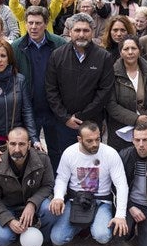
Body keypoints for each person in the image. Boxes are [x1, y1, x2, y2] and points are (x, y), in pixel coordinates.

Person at [45, 13, 114, 159]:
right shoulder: (57, 55)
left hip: (92, 123)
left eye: (86, 30)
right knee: (67, 161)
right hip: (64, 124)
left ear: (92, 32)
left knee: (92, 162)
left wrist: (81, 117)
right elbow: (51, 89)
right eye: (77, 30)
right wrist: (65, 118)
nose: (81, 35)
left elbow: (104, 91)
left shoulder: (104, 57)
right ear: (70, 32)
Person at [48, 122, 129, 246]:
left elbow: (121, 184)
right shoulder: (69, 153)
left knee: (102, 236)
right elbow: (62, 178)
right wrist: (58, 197)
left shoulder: (110, 153)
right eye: (89, 141)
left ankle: (93, 223)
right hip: (75, 200)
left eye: (97, 139)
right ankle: (84, 225)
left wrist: (120, 215)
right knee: (57, 238)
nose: (95, 144)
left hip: (101, 201)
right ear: (79, 139)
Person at [0, 39, 38, 189]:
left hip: (16, 143)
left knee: (16, 185)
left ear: (9, 58)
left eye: (3, 56)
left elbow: (27, 111)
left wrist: (34, 138)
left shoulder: (19, 80)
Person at [0, 127, 56, 246]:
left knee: (49, 209)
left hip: (35, 202)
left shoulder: (42, 159)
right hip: (9, 207)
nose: (17, 149)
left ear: (29, 145)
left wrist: (32, 204)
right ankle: (18, 233)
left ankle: (45, 239)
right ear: (7, 144)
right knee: (1, 238)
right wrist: (9, 220)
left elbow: (48, 185)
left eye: (22, 144)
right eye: (13, 144)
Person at [12, 6, 67, 174]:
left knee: (57, 150)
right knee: (29, 150)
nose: (33, 27)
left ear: (46, 24)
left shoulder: (59, 44)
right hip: (29, 108)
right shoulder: (17, 47)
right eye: (30, 23)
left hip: (54, 108)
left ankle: (57, 182)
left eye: (38, 23)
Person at [106, 36, 147, 152]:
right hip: (120, 129)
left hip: (146, 127)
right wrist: (136, 119)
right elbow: (110, 104)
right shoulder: (111, 72)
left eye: (134, 48)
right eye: (126, 49)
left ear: (139, 50)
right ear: (120, 52)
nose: (130, 52)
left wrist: (145, 117)